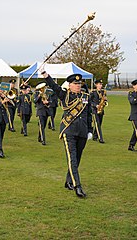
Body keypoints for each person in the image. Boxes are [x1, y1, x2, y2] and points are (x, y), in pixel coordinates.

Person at [42, 70, 92, 198]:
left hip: (82, 131)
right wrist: (45, 74)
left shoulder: (86, 96)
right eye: (75, 83)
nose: (78, 85)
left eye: (79, 83)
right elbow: (54, 86)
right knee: (72, 159)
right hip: (69, 130)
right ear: (69, 85)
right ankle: (77, 186)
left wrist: (90, 130)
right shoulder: (64, 95)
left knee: (78, 158)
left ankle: (68, 181)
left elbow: (88, 115)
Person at [90, 79, 107, 143]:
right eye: (99, 84)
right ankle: (100, 138)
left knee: (99, 123)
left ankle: (95, 136)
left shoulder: (103, 92)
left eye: (101, 84)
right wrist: (95, 105)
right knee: (97, 124)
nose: (100, 86)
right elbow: (90, 101)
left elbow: (104, 100)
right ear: (96, 85)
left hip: (101, 110)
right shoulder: (93, 92)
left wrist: (105, 101)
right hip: (94, 110)